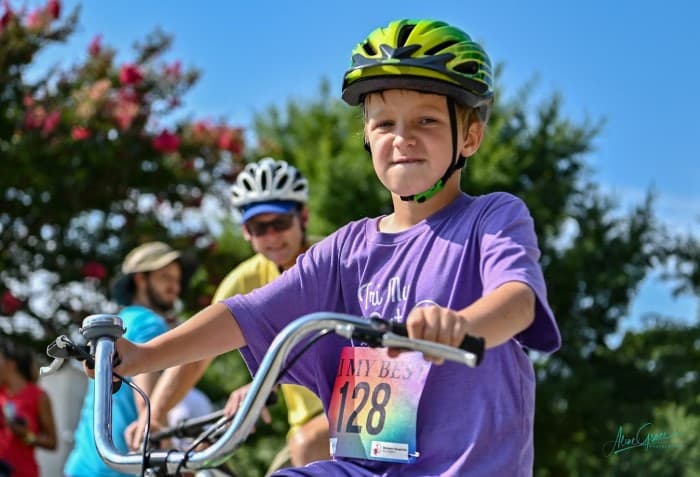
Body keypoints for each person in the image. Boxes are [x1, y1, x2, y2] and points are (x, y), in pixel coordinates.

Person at [108, 18, 561, 476]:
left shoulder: (491, 217)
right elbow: (245, 313)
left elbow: (518, 300)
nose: (402, 138)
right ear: (367, 138)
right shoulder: (347, 249)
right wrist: (141, 356)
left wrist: (462, 324)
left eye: (425, 120)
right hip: (361, 467)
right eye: (384, 123)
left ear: (469, 136)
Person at [126, 158, 331, 472]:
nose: (272, 236)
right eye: (260, 228)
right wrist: (155, 417)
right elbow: (196, 355)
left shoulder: (333, 259)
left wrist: (263, 384)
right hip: (305, 429)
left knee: (306, 446)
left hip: (359, 411)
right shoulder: (242, 280)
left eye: (280, 223)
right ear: (245, 232)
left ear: (303, 216)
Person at [64, 241, 184, 477]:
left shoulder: (119, 324)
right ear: (141, 280)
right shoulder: (150, 322)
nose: (175, 287)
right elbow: (147, 404)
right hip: (120, 465)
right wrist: (156, 431)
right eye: (165, 277)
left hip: (84, 464)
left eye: (177, 279)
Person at [0, 339, 57, 477]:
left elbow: (52, 443)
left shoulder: (39, 397)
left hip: (24, 472)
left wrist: (26, 435)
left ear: (11, 365)